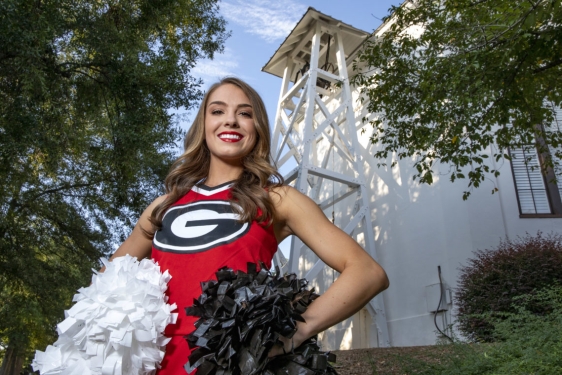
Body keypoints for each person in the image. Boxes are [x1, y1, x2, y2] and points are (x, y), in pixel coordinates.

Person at [106, 77, 389, 374]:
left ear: (258, 128)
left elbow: (367, 273)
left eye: (245, 113)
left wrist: (295, 334)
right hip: (155, 365)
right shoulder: (162, 206)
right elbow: (106, 286)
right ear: (203, 125)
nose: (230, 120)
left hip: (230, 366)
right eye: (217, 111)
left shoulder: (277, 199)